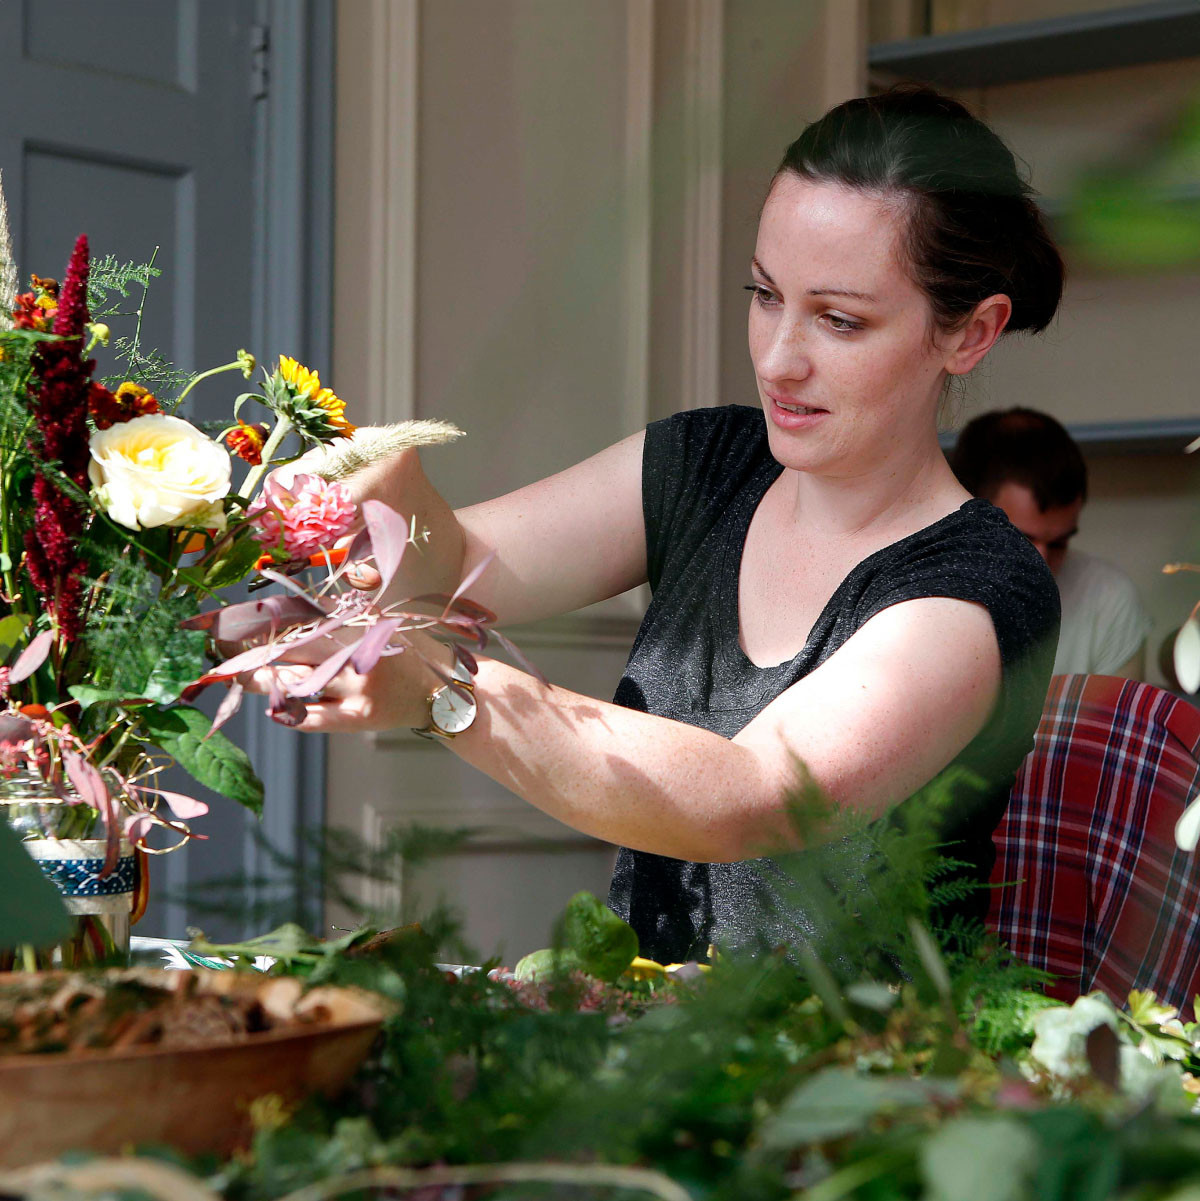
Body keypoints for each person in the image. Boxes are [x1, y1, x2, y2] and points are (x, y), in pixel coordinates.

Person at [247, 86, 1062, 964]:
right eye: (764, 294)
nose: (778, 358)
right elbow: (455, 567)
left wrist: (445, 693)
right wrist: (393, 496)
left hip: (858, 1049)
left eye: (839, 319)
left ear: (971, 334)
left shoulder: (979, 589)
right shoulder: (704, 463)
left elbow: (752, 795)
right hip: (646, 1027)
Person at [950, 408, 1151, 679]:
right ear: (965, 518)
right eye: (1021, 540)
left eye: (1058, 543)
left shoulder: (1108, 598)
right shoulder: (917, 601)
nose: (1040, 565)